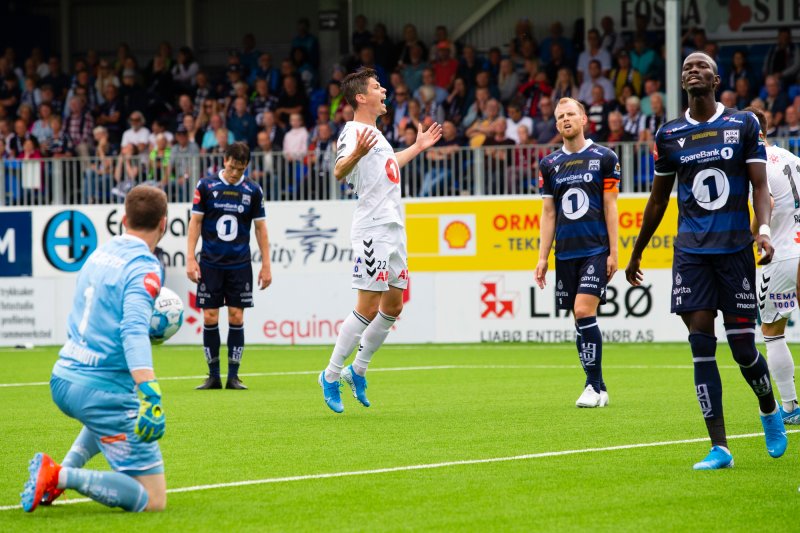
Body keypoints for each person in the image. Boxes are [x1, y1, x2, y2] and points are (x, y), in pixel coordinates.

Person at [624, 52, 787, 470]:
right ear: (684, 83)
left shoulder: (743, 124)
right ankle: (720, 448)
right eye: (686, 69)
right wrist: (637, 250)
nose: (692, 71)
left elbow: (760, 187)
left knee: (743, 349)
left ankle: (769, 407)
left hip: (734, 250)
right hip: (692, 253)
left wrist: (764, 230)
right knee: (700, 343)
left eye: (701, 67)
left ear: (716, 80)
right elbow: (659, 199)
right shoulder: (669, 134)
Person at [21, 185, 169, 513]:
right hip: (100, 391)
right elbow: (132, 330)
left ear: (123, 219)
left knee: (105, 419)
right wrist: (151, 391)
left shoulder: (99, 253)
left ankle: (60, 469)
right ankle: (60, 476)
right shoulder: (145, 267)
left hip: (64, 377)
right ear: (163, 224)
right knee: (154, 500)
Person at [319, 68, 441, 413]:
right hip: (372, 227)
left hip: (393, 227)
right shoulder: (354, 131)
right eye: (376, 87)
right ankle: (329, 375)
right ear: (361, 97)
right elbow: (340, 169)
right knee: (368, 306)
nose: (383, 90)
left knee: (393, 306)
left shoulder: (377, 135)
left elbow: (390, 167)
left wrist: (416, 147)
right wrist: (356, 153)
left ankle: (357, 369)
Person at [535, 97, 619, 408]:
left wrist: (614, 251)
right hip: (565, 254)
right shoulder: (549, 164)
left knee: (584, 311)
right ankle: (600, 386)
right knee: (579, 319)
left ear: (583, 118)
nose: (566, 119)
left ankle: (591, 387)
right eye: (560, 116)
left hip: (595, 249)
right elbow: (548, 214)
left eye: (571, 114)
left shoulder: (604, 157)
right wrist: (543, 258)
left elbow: (611, 207)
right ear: (556, 124)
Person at [186, 142, 272, 390]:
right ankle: (213, 375)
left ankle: (233, 376)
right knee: (210, 316)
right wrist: (190, 258)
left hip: (239, 264)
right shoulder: (206, 186)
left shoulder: (253, 190)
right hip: (210, 263)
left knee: (236, 315)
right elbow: (195, 223)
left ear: (246, 167)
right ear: (225, 161)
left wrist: (266, 265)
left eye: (240, 169)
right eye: (232, 167)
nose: (235, 173)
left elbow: (260, 228)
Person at [747, 106, 800, 425]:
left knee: (772, 331)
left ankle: (791, 407)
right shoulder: (792, 158)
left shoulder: (757, 164)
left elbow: (768, 202)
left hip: (782, 255)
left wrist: (750, 234)